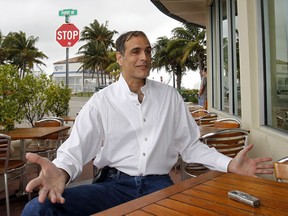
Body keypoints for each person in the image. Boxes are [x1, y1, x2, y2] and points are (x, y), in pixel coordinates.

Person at [22, 31, 273, 216]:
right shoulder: (102, 101)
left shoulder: (170, 96)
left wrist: (229, 164)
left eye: (148, 51)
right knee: (38, 209)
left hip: (159, 185)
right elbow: (76, 149)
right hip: (112, 186)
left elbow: (190, 146)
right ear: (119, 58)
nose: (144, 57)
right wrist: (62, 172)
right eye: (136, 51)